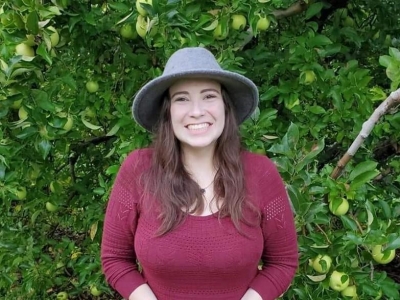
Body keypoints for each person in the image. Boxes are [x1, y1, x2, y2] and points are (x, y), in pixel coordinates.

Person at [101, 47, 298, 300]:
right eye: (182, 99)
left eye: (208, 96)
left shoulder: (260, 174)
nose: (196, 111)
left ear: (225, 107)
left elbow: (282, 262)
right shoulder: (139, 170)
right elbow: (115, 259)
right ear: (167, 111)